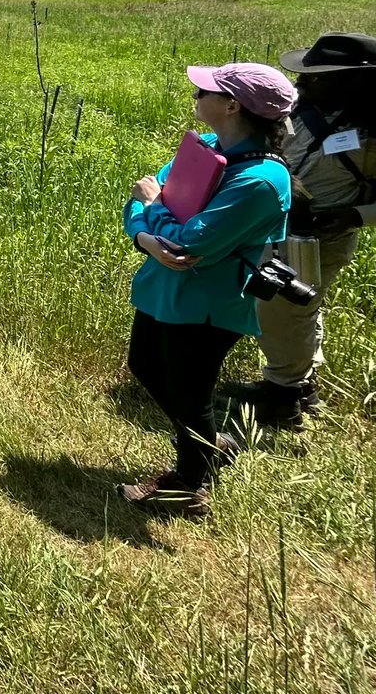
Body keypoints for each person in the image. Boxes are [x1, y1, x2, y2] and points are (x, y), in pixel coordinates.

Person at [119, 62, 296, 518]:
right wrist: (145, 237)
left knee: (190, 394)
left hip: (208, 305)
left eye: (206, 91)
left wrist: (155, 221)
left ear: (233, 105)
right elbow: (141, 198)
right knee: (144, 364)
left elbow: (189, 242)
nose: (196, 95)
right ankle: (211, 444)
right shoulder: (209, 147)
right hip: (167, 287)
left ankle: (188, 488)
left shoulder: (261, 180)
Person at [223, 33, 376, 429]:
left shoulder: (373, 132)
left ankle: (283, 399)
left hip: (319, 238)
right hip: (275, 227)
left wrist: (354, 216)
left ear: (354, 81)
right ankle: (298, 384)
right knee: (296, 311)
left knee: (284, 311)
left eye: (317, 77)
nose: (302, 84)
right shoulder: (300, 107)